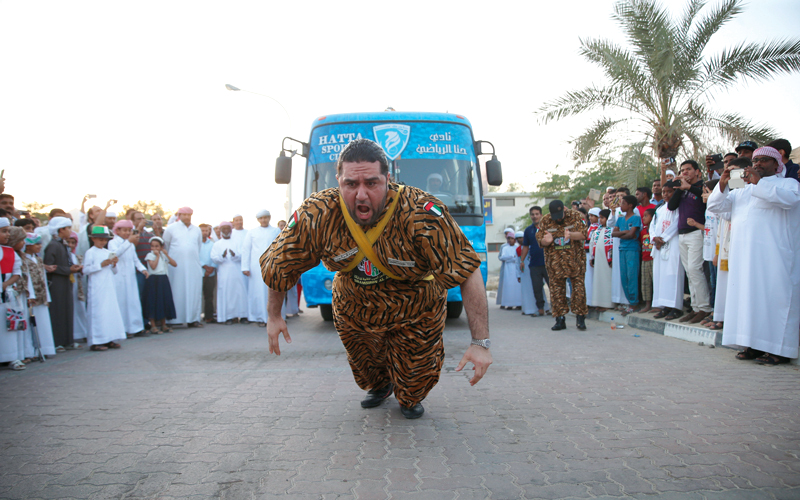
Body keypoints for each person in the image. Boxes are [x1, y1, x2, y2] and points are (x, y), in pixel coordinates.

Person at [260, 138, 491, 419]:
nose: (361, 194)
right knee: (366, 369)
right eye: (351, 184)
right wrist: (274, 315)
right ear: (338, 181)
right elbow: (280, 263)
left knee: (415, 380)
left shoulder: (421, 211)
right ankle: (381, 386)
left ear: (388, 179)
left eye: (371, 183)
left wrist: (480, 343)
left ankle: (408, 395)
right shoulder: (317, 213)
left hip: (416, 307)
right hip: (354, 307)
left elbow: (467, 269)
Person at [707, 146, 800, 364]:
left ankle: (779, 351)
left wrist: (759, 182)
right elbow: (716, 207)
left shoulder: (788, 184)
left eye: (764, 160)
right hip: (744, 259)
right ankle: (753, 345)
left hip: (775, 258)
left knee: (774, 300)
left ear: (777, 164)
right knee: (747, 301)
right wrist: (723, 185)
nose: (757, 163)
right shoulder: (741, 189)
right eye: (755, 160)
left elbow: (789, 200)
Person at [668, 160, 711, 323]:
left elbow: (707, 200)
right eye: (682, 170)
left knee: (695, 269)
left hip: (696, 233)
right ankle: (695, 307)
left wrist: (689, 187)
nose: (684, 172)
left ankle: (705, 308)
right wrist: (680, 188)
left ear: (697, 172)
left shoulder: (702, 187)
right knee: (689, 272)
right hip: (683, 234)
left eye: (688, 169)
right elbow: (671, 206)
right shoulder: (682, 190)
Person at [536, 199, 589, 331]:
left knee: (579, 291)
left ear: (565, 209)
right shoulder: (545, 220)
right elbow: (541, 241)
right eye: (556, 217)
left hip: (575, 261)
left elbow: (584, 234)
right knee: (556, 292)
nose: (558, 219)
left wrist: (571, 235)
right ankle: (560, 320)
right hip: (555, 263)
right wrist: (547, 241)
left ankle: (580, 318)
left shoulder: (576, 216)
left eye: (560, 216)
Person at [83, 226, 125, 351]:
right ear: (93, 239)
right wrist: (100, 265)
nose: (103, 242)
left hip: (109, 287)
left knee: (110, 311)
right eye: (100, 239)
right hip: (97, 287)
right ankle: (96, 341)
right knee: (98, 312)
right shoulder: (90, 252)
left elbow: (115, 271)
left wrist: (114, 264)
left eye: (105, 240)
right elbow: (85, 270)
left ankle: (110, 338)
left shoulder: (107, 252)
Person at [44, 216, 82, 351]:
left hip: (66, 281)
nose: (70, 231)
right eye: (68, 228)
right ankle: (57, 342)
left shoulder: (63, 244)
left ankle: (68, 340)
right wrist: (68, 270)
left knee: (67, 310)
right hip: (56, 283)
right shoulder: (53, 245)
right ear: (61, 229)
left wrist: (73, 268)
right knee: (58, 311)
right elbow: (49, 266)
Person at [163, 207, 203, 328]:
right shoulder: (171, 228)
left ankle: (193, 319)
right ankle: (174, 320)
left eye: (188, 215)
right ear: (179, 215)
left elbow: (198, 247)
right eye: (184, 215)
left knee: (193, 292)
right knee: (176, 291)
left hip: (193, 266)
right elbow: (166, 246)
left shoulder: (196, 230)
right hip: (176, 267)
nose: (186, 217)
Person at [109, 220, 149, 338]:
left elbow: (135, 259)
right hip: (119, 277)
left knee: (133, 302)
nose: (127, 233)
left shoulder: (130, 244)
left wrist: (142, 269)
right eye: (124, 230)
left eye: (129, 230)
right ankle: (123, 329)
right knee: (122, 302)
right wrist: (128, 242)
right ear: (117, 231)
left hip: (130, 277)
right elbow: (115, 255)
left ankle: (136, 328)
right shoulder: (113, 242)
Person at [651, 181, 685, 320]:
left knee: (673, 274)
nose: (665, 194)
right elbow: (652, 225)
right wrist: (654, 238)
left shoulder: (678, 207)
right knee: (661, 276)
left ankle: (675, 307)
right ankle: (665, 306)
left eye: (669, 192)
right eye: (664, 192)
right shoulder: (660, 209)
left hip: (672, 243)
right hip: (659, 245)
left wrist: (663, 238)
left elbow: (676, 224)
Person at [20, 232, 57, 360]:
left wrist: (47, 297)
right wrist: (29, 295)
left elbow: (43, 279)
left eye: (40, 243)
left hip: (42, 296)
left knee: (43, 323)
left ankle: (45, 348)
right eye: (36, 244)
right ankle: (32, 352)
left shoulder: (39, 260)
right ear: (28, 245)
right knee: (31, 325)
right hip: (32, 298)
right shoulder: (24, 260)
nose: (39, 246)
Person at [241, 210, 281, 327]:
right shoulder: (252, 232)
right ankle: (259, 317)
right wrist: (245, 267)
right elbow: (246, 249)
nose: (263, 220)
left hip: (272, 266)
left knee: (273, 293)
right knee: (258, 293)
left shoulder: (276, 231)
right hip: (256, 268)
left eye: (265, 218)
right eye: (261, 218)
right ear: (258, 220)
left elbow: (280, 248)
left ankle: (275, 317)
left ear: (269, 218)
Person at [211, 221, 247, 325]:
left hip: (237, 272)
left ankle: (243, 316)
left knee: (240, 293)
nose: (226, 230)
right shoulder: (217, 244)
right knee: (226, 294)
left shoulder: (237, 242)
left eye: (228, 228)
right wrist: (222, 256)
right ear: (220, 230)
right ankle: (228, 317)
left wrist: (235, 255)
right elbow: (214, 258)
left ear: (231, 230)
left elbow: (243, 255)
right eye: (224, 229)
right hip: (224, 273)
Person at [0, 220, 24, 369]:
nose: (7, 234)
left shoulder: (10, 252)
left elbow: (17, 273)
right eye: (4, 231)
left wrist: (5, 285)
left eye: (8, 231)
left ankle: (11, 357)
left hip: (6, 296)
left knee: (8, 327)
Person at [612, 195, 641, 314]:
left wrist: (621, 234)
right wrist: (624, 232)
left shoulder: (636, 218)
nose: (621, 206)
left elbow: (631, 235)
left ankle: (634, 303)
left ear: (630, 205)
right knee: (624, 276)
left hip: (632, 249)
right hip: (622, 248)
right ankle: (629, 301)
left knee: (632, 275)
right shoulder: (620, 219)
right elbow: (613, 234)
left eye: (623, 203)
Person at [144, 236, 177, 334]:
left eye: (157, 246)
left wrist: (166, 255)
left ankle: (163, 324)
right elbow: (153, 267)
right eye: (152, 246)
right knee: (153, 301)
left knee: (163, 301)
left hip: (163, 279)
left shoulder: (163, 255)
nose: (154, 248)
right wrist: (157, 256)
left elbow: (174, 264)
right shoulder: (150, 255)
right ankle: (153, 325)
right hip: (154, 280)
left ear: (161, 247)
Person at [520, 206, 549, 316]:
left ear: (541, 215)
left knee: (553, 286)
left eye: (537, 214)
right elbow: (525, 246)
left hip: (548, 263)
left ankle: (557, 309)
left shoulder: (548, 228)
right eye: (532, 214)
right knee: (537, 287)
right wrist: (522, 260)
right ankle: (540, 308)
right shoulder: (528, 230)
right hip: (534, 264)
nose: (535, 216)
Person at [66, 232, 89, 342]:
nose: (70, 245)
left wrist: (80, 269)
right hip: (68, 287)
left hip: (77, 287)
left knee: (80, 309)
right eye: (68, 242)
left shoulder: (77, 257)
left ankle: (82, 333)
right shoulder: (64, 256)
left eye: (73, 243)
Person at [589, 209, 613, 310]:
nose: (600, 220)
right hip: (598, 260)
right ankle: (599, 303)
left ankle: (608, 304)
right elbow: (592, 243)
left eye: (602, 218)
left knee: (607, 280)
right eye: (599, 218)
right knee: (598, 281)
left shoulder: (611, 230)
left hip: (607, 261)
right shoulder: (597, 231)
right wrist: (591, 257)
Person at [496, 227, 522, 310]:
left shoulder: (517, 247)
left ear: (515, 239)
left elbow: (517, 258)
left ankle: (518, 304)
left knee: (517, 286)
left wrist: (510, 258)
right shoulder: (504, 247)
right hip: (507, 269)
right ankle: (509, 304)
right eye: (508, 238)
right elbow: (502, 257)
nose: (510, 240)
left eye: (511, 238)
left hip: (516, 268)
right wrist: (510, 257)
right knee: (508, 286)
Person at [638, 208, 656, 314]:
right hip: (645, 258)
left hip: (653, 258)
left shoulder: (656, 230)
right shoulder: (643, 231)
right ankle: (647, 304)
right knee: (645, 282)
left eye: (646, 216)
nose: (643, 218)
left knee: (655, 281)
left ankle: (656, 304)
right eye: (643, 216)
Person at [199, 224, 217, 323]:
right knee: (197, 296)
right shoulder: (196, 244)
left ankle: (209, 317)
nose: (204, 232)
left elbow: (215, 256)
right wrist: (205, 267)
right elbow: (195, 257)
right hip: (199, 273)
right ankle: (196, 317)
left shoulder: (212, 244)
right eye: (202, 230)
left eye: (206, 230)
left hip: (210, 273)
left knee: (209, 296)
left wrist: (211, 268)